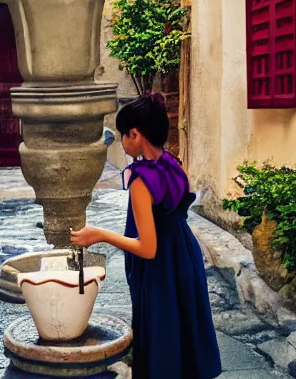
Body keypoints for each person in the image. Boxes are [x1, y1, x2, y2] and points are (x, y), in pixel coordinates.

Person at [71, 93, 222, 379]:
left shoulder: (142, 180)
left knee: (161, 334)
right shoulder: (173, 164)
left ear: (136, 134)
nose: (121, 141)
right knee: (185, 329)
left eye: (122, 135)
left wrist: (99, 234)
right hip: (184, 256)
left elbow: (147, 247)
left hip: (161, 266)